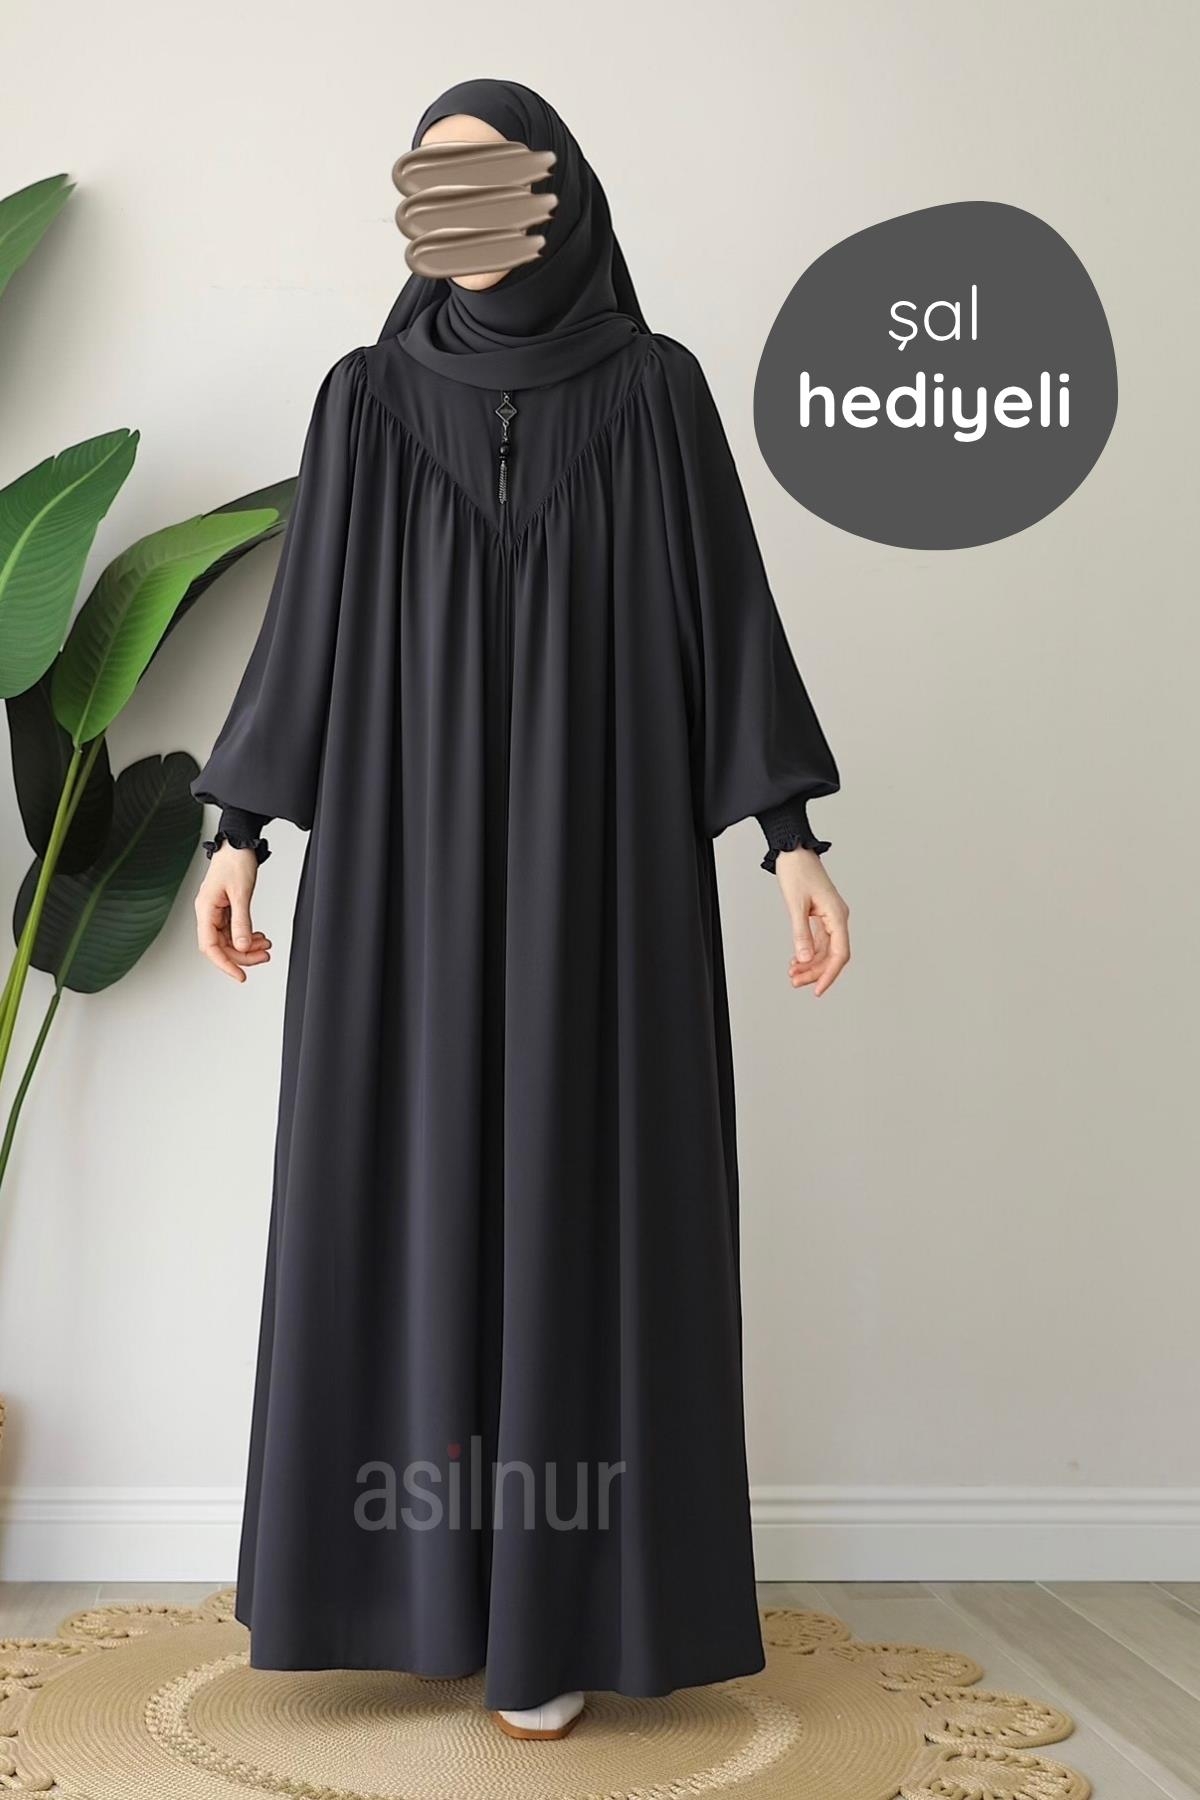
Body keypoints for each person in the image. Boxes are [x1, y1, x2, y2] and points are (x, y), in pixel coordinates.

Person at [191, 78, 849, 1743]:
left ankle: (557, 1622)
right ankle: (424, 1594)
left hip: (604, 879)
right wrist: (239, 831)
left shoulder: (656, 392)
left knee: (586, 1207)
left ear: (562, 197)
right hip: (397, 882)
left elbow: (728, 623)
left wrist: (790, 841)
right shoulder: (364, 403)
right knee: (403, 1197)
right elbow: (307, 632)